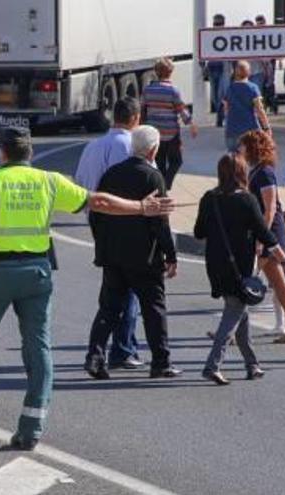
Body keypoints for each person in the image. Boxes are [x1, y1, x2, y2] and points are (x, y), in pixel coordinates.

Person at [0, 126, 175, 451]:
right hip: (37, 274)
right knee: (38, 349)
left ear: (2, 153)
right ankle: (30, 430)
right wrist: (141, 208)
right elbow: (99, 201)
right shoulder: (49, 181)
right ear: (30, 154)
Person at [194, 153, 285, 385]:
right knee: (233, 313)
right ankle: (212, 365)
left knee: (239, 311)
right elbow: (266, 235)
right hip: (239, 267)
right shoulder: (247, 200)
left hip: (216, 264)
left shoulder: (209, 198)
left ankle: (252, 365)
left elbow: (198, 232)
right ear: (243, 173)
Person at [85, 126, 182, 380]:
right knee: (154, 309)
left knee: (108, 308)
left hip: (113, 255)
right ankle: (160, 361)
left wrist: (102, 243)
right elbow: (160, 222)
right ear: (153, 149)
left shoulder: (111, 174)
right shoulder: (153, 177)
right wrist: (170, 254)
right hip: (144, 257)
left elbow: (97, 211)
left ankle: (95, 357)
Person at [74, 97, 143, 370]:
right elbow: (133, 183)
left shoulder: (92, 146)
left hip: (96, 220)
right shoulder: (128, 146)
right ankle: (123, 348)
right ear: (135, 119)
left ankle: (121, 345)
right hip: (123, 220)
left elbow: (79, 183)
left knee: (116, 284)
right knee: (130, 287)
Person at [239, 130, 285, 343]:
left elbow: (270, 208)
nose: (240, 150)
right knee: (270, 281)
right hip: (264, 231)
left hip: (270, 231)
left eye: (243, 146)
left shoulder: (265, 173)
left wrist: (263, 238)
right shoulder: (257, 171)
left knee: (265, 280)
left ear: (253, 148)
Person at [141, 58, 198, 189]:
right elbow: (181, 110)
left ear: (156, 72)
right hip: (171, 133)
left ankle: (161, 187)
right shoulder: (173, 90)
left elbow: (143, 109)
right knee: (177, 161)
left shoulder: (148, 90)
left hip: (154, 133)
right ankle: (165, 185)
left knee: (159, 162)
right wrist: (191, 124)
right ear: (170, 72)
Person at [223, 60, 271, 151]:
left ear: (235, 73)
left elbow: (226, 109)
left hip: (232, 131)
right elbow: (260, 109)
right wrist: (266, 127)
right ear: (248, 72)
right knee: (252, 159)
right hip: (250, 131)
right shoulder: (253, 88)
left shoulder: (229, 89)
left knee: (234, 161)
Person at [204, 14, 230, 127]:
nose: (217, 26)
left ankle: (220, 118)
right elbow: (203, 51)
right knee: (214, 97)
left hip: (223, 68)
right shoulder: (209, 35)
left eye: (219, 24)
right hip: (212, 67)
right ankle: (220, 114)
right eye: (215, 24)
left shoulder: (228, 36)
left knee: (221, 94)